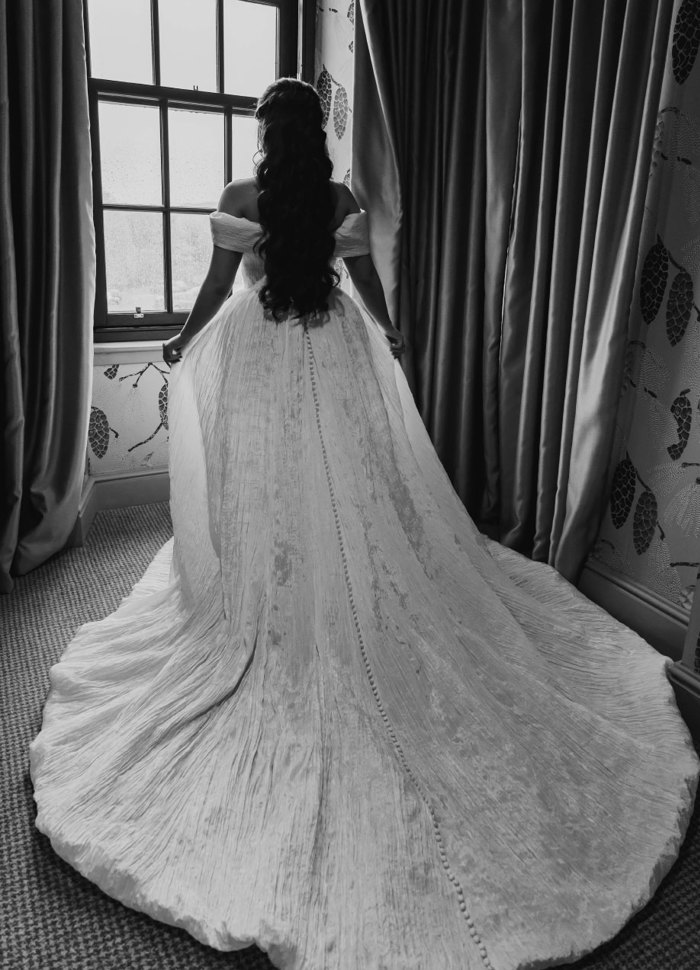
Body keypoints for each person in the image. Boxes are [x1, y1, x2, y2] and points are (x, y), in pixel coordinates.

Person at [30, 78, 698, 970]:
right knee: (352, 481)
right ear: (319, 135)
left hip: (261, 353)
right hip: (332, 346)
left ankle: (277, 589)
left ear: (268, 136)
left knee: (264, 479)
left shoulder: (240, 200)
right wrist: (387, 335)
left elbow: (215, 287)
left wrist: (186, 343)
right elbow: (370, 286)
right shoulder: (342, 200)